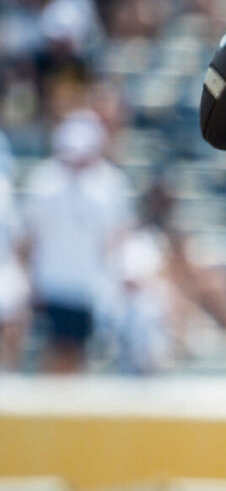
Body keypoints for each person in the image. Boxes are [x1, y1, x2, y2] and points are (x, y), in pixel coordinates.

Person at [20, 110, 133, 373]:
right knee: (56, 351)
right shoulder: (45, 182)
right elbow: (30, 239)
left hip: (89, 285)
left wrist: (111, 281)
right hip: (53, 283)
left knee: (80, 354)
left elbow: (116, 238)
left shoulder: (109, 184)